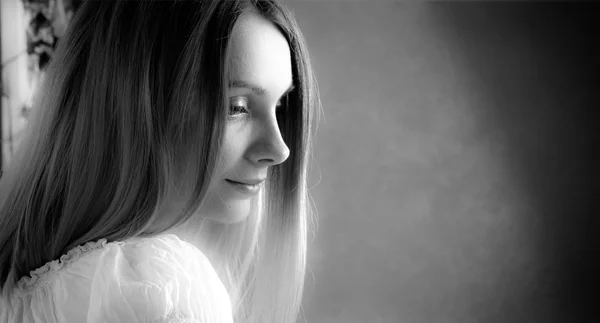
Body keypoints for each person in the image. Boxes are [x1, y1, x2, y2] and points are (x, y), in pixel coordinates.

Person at [0, 0, 321, 322]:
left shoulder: (29, 290)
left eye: (280, 106)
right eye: (236, 106)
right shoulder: (162, 290)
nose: (280, 150)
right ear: (135, 107)